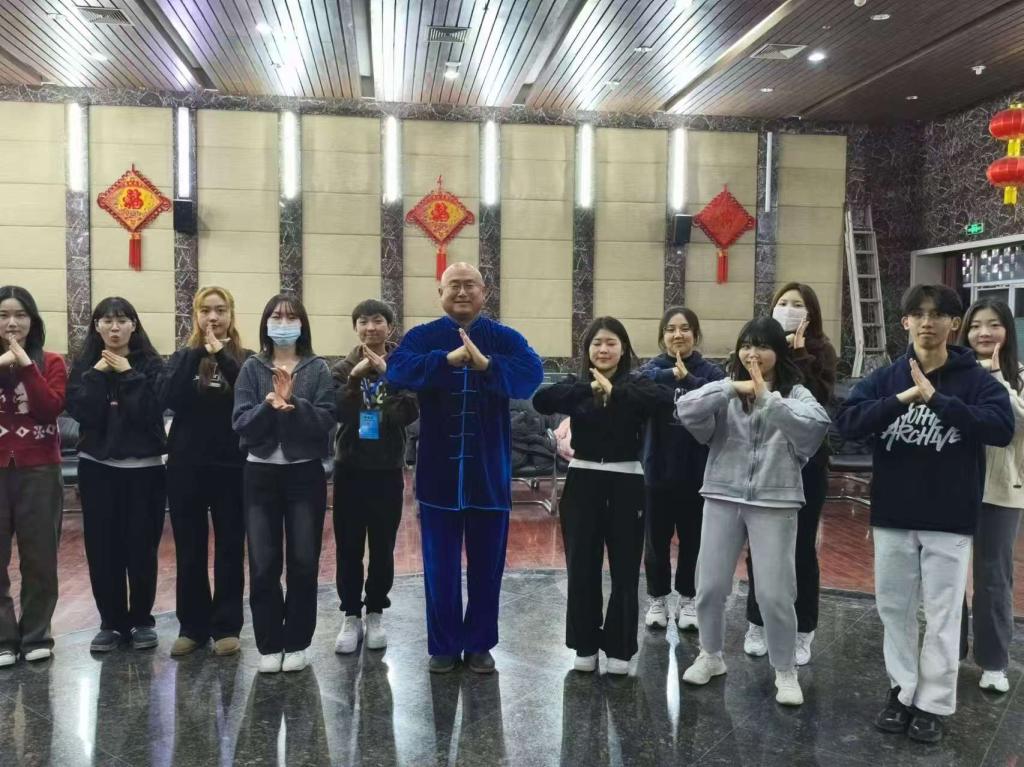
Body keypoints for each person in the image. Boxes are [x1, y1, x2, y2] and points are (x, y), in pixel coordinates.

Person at [837, 284, 1013, 743]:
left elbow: (1000, 428)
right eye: (918, 313)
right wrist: (903, 399)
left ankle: (933, 704)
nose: (927, 322)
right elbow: (847, 423)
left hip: (950, 515)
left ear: (954, 324)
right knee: (894, 608)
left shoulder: (975, 379)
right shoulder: (886, 377)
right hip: (894, 513)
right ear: (905, 322)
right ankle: (901, 691)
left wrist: (938, 400)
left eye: (938, 314)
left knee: (943, 613)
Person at [386, 262, 543, 674]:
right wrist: (447, 360)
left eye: (469, 285)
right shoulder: (423, 337)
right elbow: (397, 370)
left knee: (487, 568)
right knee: (439, 568)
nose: (461, 292)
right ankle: (443, 645)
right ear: (439, 293)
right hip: (438, 477)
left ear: (483, 292)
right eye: (452, 285)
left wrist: (488, 366)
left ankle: (479, 644)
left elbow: (531, 376)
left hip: (488, 475)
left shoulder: (504, 338)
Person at [675, 317, 830, 707]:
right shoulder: (727, 390)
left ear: (778, 352)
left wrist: (767, 399)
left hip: (775, 501)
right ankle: (710, 655)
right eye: (746, 345)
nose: (752, 353)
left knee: (776, 594)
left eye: (762, 346)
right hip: (722, 495)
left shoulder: (795, 393)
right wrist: (731, 387)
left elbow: (815, 427)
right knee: (709, 586)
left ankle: (785, 671)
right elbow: (686, 410)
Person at [534, 317, 663, 674]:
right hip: (583, 481)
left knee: (625, 569)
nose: (603, 349)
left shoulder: (638, 384)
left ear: (624, 349)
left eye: (611, 343)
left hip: (627, 481)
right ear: (587, 349)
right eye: (596, 343)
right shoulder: (575, 385)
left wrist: (614, 391)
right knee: (581, 567)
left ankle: (620, 647)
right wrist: (588, 388)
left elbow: (661, 403)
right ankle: (585, 643)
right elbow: (542, 400)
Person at [232, 294, 336, 674]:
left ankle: (297, 642)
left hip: (304, 475)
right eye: (276, 316)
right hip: (260, 474)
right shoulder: (252, 368)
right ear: (265, 323)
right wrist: (269, 404)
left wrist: (294, 406)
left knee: (304, 561)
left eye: (291, 317)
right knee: (263, 563)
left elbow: (327, 419)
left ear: (302, 324)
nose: (283, 323)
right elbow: (241, 423)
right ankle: (269, 643)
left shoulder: (317, 368)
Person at [66, 297, 167, 653]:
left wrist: (127, 374)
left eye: (122, 320)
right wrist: (97, 375)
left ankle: (141, 621)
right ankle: (110, 622)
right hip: (98, 469)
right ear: (96, 326)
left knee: (142, 549)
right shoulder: (85, 366)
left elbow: (150, 412)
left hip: (144, 471)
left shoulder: (151, 365)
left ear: (133, 325)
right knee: (102, 550)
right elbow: (83, 413)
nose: (114, 327)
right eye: (106, 321)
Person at [745, 283, 837, 664]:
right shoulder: (759, 346)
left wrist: (799, 354)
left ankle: (803, 629)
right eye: (782, 302)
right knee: (759, 547)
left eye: (797, 304)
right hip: (764, 461)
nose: (788, 308)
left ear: (810, 313)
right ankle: (757, 621)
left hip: (806, 467)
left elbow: (817, 404)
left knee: (800, 549)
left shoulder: (821, 352)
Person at [160, 286, 251, 657]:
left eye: (220, 310)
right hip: (186, 465)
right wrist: (199, 352)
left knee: (230, 546)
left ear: (231, 314)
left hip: (231, 465)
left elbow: (247, 393)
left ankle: (227, 626)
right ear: (195, 316)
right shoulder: (182, 357)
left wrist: (222, 355)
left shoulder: (245, 358)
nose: (213, 317)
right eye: (205, 311)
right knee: (190, 549)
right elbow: (168, 398)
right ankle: (193, 626)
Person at [332, 299, 418, 654]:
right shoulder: (341, 368)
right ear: (356, 327)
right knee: (348, 546)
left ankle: (376, 611)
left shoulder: (403, 367)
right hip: (350, 469)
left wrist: (388, 376)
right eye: (364, 321)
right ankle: (351, 614)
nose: (371, 327)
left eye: (378, 320)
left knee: (383, 546)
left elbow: (407, 413)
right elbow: (341, 412)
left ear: (389, 327)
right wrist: (355, 380)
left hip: (386, 470)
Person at [635, 306, 724, 633]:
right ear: (662, 336)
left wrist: (687, 378)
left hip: (698, 473)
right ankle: (657, 598)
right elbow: (632, 386)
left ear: (695, 335)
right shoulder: (651, 370)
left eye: (685, 328)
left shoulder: (711, 373)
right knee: (655, 542)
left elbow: (722, 398)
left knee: (694, 542)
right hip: (656, 471)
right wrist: (668, 374)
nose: (678, 334)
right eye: (671, 329)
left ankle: (688, 598)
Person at [959, 298, 1023, 694]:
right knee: (946, 577)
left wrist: (998, 378)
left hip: (1001, 490)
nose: (984, 332)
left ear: (1007, 331)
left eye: (994, 324)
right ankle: (947, 652)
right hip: (952, 486)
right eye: (975, 325)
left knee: (994, 578)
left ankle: (994, 660)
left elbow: (1018, 423)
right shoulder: (954, 374)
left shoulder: (1019, 375)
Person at [0, 286, 66, 666]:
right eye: (4, 315)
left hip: (40, 470)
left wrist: (26, 365)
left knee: (40, 557)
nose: (12, 323)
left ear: (33, 320)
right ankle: (4, 638)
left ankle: (37, 634)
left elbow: (49, 409)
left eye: (21, 315)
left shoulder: (51, 362)